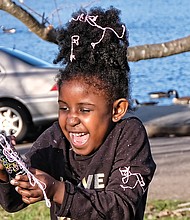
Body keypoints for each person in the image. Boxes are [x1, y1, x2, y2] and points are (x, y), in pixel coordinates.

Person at [0, 6, 156, 220]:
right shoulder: (55, 139)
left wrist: (57, 190)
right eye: (64, 107)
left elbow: (121, 209)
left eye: (84, 110)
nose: (71, 118)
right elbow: (13, 202)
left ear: (117, 109)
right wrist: (6, 172)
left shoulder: (128, 135)